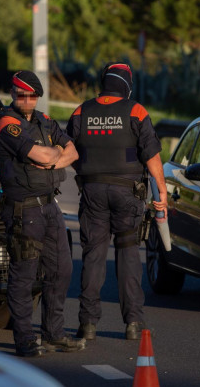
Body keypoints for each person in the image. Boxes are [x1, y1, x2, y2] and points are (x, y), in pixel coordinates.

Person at [66, 63, 167, 341]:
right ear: (127, 84)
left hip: (93, 193)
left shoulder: (81, 110)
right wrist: (162, 192)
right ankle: (133, 323)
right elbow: (152, 156)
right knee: (128, 255)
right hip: (127, 194)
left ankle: (87, 324)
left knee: (94, 256)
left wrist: (89, 177)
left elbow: (69, 151)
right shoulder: (136, 111)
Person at [0, 70, 85, 357]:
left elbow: (73, 151)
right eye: (22, 94)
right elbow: (45, 154)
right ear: (13, 94)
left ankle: (54, 333)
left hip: (49, 205)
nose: (28, 100)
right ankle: (25, 339)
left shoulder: (45, 121)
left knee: (61, 269)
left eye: (33, 95)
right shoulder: (6, 125)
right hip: (23, 209)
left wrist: (52, 161)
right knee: (24, 275)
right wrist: (52, 154)